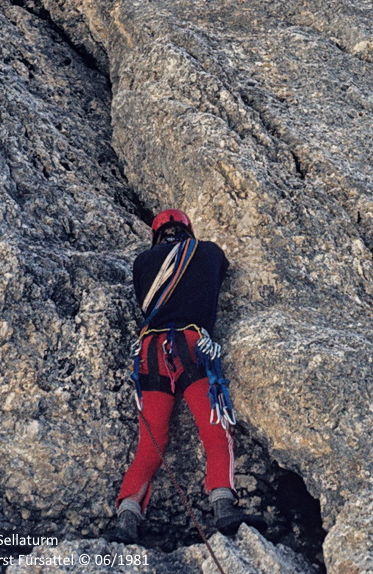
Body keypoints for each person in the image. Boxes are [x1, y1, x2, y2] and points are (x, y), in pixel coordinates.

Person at [108, 209, 244, 545]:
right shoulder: (209, 251)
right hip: (191, 344)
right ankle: (223, 506)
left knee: (151, 443)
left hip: (151, 351)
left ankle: (127, 517)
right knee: (215, 430)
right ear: (188, 231)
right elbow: (220, 271)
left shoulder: (142, 262)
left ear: (155, 236)